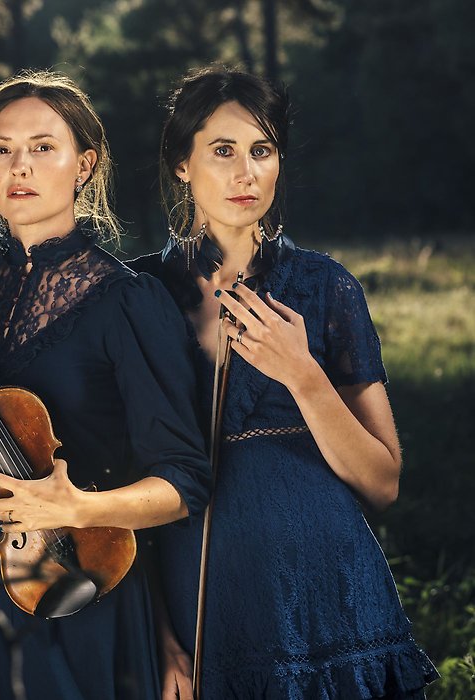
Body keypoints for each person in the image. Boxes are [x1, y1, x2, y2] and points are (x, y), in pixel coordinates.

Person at [0, 70, 210, 700]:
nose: (20, 166)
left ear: (84, 164)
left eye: (43, 147)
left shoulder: (129, 302)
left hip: (84, 593)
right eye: (1, 149)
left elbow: (183, 483)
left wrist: (77, 509)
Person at [129, 66, 439, 699]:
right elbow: (117, 481)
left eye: (262, 151)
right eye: (223, 151)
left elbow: (383, 483)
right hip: (204, 600)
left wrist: (302, 374)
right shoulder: (134, 296)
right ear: (181, 164)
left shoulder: (325, 286)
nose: (246, 173)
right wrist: (159, 633)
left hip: (333, 591)